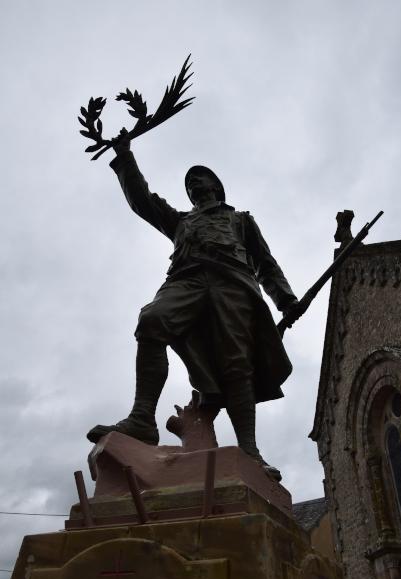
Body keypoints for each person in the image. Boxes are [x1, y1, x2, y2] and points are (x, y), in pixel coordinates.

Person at [87, 130, 303, 481]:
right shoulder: (181, 222)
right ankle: (142, 418)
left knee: (237, 363)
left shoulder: (240, 220)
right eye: (189, 184)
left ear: (216, 187)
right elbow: (143, 201)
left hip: (232, 282)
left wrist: (286, 299)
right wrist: (124, 156)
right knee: (152, 320)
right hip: (186, 279)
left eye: (200, 180)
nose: (195, 186)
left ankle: (249, 449)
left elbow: (266, 264)